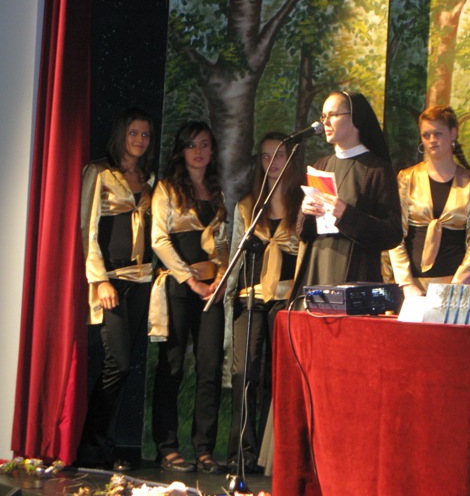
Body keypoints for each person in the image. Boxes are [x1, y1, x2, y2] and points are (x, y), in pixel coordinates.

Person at [77, 108, 155, 471]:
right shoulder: (99, 171)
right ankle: (91, 447)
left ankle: (104, 446)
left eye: (145, 134)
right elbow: (87, 228)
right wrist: (99, 279)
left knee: (123, 367)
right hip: (112, 280)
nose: (140, 140)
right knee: (117, 364)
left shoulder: (149, 178)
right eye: (133, 133)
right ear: (121, 133)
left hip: (142, 280)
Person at [149, 121, 229, 474]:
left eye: (205, 144)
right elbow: (159, 240)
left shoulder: (217, 190)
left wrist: (222, 275)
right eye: (192, 145)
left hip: (213, 289)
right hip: (179, 287)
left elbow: (222, 241)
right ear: (181, 150)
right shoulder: (166, 188)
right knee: (172, 365)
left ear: (213, 150)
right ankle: (167, 447)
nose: (199, 151)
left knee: (210, 367)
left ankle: (204, 449)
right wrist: (190, 280)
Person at [227, 132, 304, 474]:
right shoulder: (248, 206)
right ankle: (241, 453)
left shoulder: (304, 205)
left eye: (280, 155)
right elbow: (234, 256)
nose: (272, 163)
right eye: (266, 156)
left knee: (279, 376)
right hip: (251, 297)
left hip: (287, 299)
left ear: (291, 159)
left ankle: (274, 456)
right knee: (243, 371)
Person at [297, 90, 403, 287]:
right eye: (323, 116)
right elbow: (303, 233)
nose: (325, 122)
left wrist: (346, 214)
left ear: (355, 118)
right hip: (317, 269)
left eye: (333, 115)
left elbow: (392, 234)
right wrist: (306, 212)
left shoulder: (377, 170)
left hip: (354, 274)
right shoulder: (321, 165)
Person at [388, 105, 470, 298]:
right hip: (412, 287)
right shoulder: (407, 178)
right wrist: (406, 283)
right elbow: (396, 235)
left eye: (438, 133)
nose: (432, 140)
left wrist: (457, 284)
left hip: (453, 285)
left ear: (453, 133)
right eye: (426, 135)